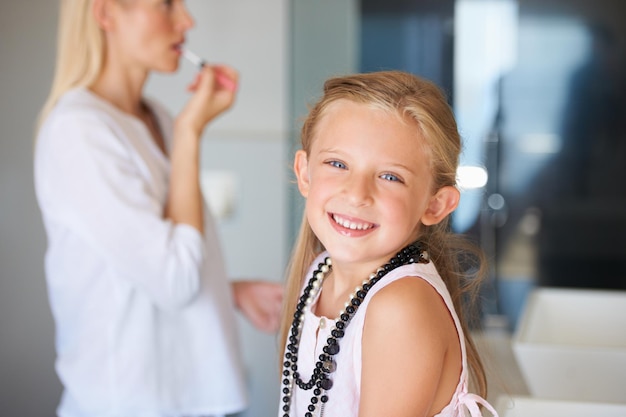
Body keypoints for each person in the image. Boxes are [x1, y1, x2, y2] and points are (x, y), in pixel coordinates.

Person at [34, 1, 283, 416]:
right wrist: (190, 133)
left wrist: (228, 291)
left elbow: (147, 260)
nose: (187, 21)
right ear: (105, 13)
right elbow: (174, 280)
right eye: (166, 4)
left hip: (192, 398)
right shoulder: (78, 131)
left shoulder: (159, 119)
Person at [278, 71, 498, 417]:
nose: (356, 193)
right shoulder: (319, 274)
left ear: (435, 204)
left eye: (390, 176)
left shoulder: (400, 306)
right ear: (305, 173)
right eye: (338, 164)